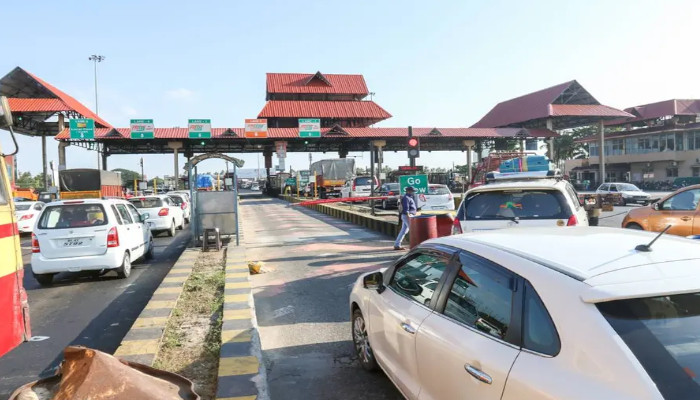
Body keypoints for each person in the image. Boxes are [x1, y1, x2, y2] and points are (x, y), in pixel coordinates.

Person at [394, 186, 417, 250]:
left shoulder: (408, 197)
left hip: (407, 215)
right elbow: (406, 209)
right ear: (409, 191)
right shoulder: (406, 198)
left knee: (404, 231)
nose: (413, 192)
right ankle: (415, 244)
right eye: (412, 191)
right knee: (413, 230)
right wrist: (408, 216)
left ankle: (397, 245)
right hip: (408, 216)